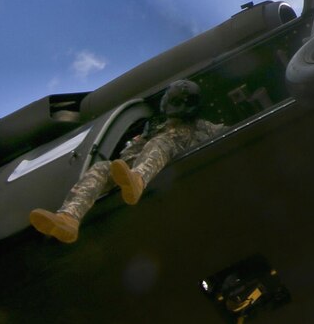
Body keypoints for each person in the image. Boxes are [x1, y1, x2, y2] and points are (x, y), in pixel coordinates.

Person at [29, 80, 225, 243]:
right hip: (129, 169)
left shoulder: (198, 127)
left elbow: (224, 132)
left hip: (155, 169)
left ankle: (137, 180)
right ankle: (69, 219)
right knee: (101, 167)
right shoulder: (154, 127)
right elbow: (129, 154)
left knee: (160, 144)